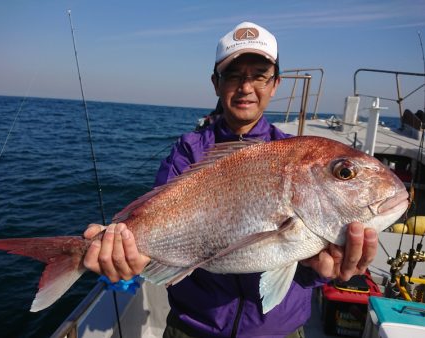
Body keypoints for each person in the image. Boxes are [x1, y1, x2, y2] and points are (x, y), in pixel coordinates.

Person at [83, 22, 378, 337]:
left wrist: (320, 273)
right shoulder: (187, 152)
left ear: (276, 83)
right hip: (192, 329)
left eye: (259, 75)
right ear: (216, 83)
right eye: (234, 75)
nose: (246, 87)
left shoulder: (294, 155)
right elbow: (156, 232)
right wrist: (125, 260)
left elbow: (297, 265)